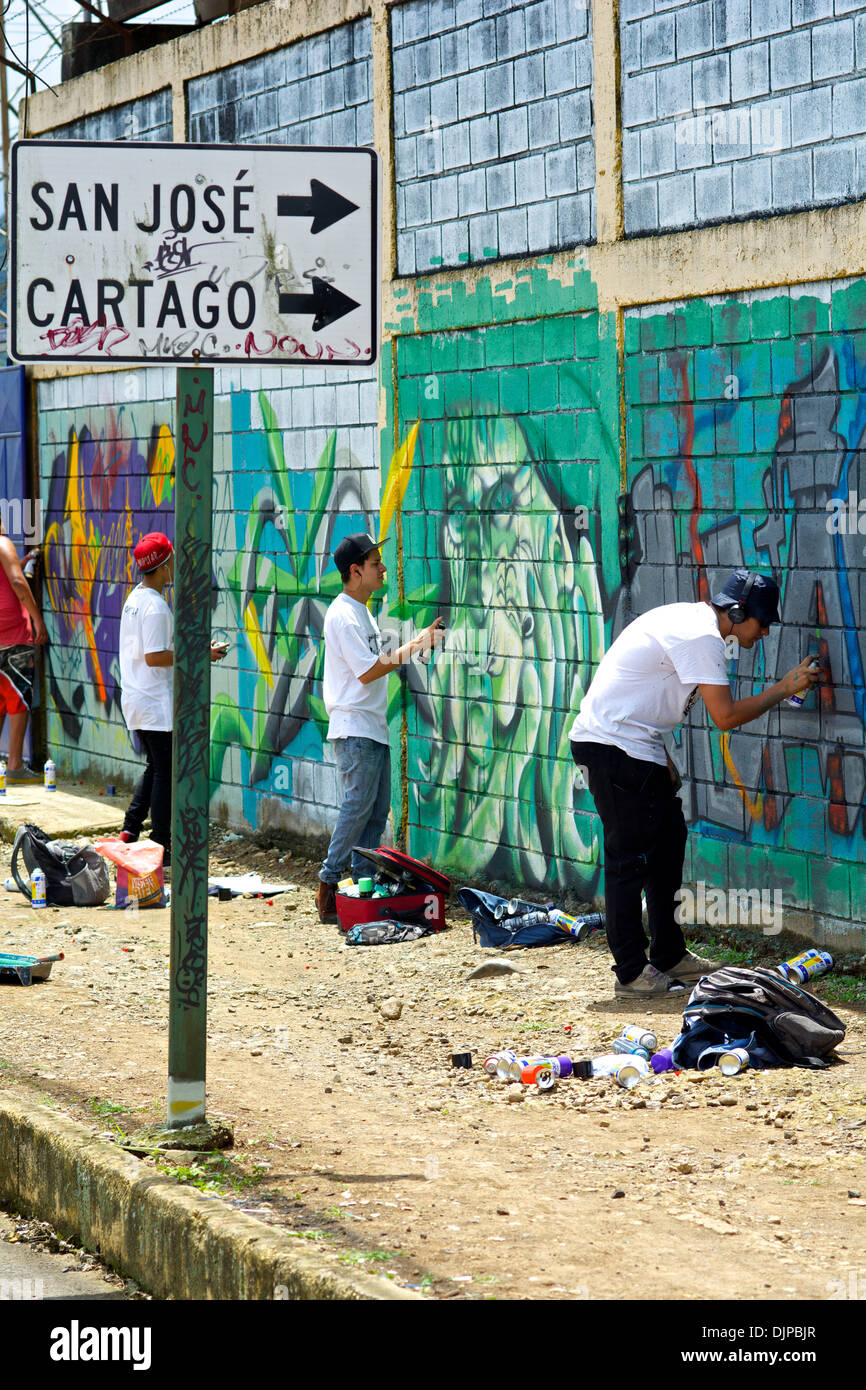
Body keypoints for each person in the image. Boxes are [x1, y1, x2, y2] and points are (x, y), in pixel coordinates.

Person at [569, 570, 820, 997]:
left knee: (668, 843)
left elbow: (636, 694)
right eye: (762, 622)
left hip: (634, 745)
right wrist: (784, 688)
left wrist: (661, 757)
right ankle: (631, 972)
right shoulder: (701, 637)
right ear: (738, 613)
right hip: (613, 748)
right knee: (628, 860)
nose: (764, 632)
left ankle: (669, 954)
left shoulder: (696, 625)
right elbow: (725, 717)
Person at [316, 531, 444, 923]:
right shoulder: (343, 615)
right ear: (355, 571)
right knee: (357, 808)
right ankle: (328, 880)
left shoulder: (361, 611)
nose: (383, 568)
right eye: (375, 564)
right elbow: (369, 671)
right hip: (355, 728)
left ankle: (363, 892)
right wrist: (415, 645)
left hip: (370, 727)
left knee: (374, 814)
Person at [118, 532, 228, 866]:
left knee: (157, 766)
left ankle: (130, 830)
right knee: (166, 771)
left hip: (139, 699)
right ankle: (160, 844)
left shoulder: (135, 598)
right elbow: (154, 656)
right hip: (154, 703)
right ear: (164, 566)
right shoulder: (154, 607)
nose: (177, 565)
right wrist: (200, 653)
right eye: (173, 559)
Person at [0, 520, 48, 778]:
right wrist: (37, 618)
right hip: (13, 634)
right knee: (18, 695)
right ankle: (15, 765)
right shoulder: (2, 542)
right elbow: (17, 582)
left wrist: (21, 561)